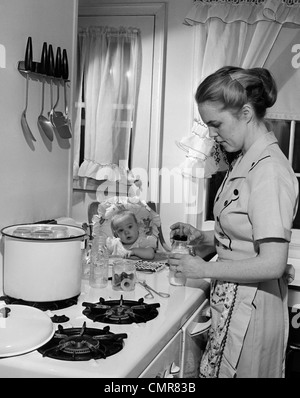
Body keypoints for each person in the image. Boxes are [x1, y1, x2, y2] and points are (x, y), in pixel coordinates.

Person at [169, 66, 299, 378]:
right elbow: (242, 238)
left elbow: (271, 264)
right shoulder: (244, 159)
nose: (211, 134)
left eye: (216, 124)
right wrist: (202, 237)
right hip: (233, 299)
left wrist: (203, 269)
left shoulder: (269, 171)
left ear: (244, 112)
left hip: (254, 309)